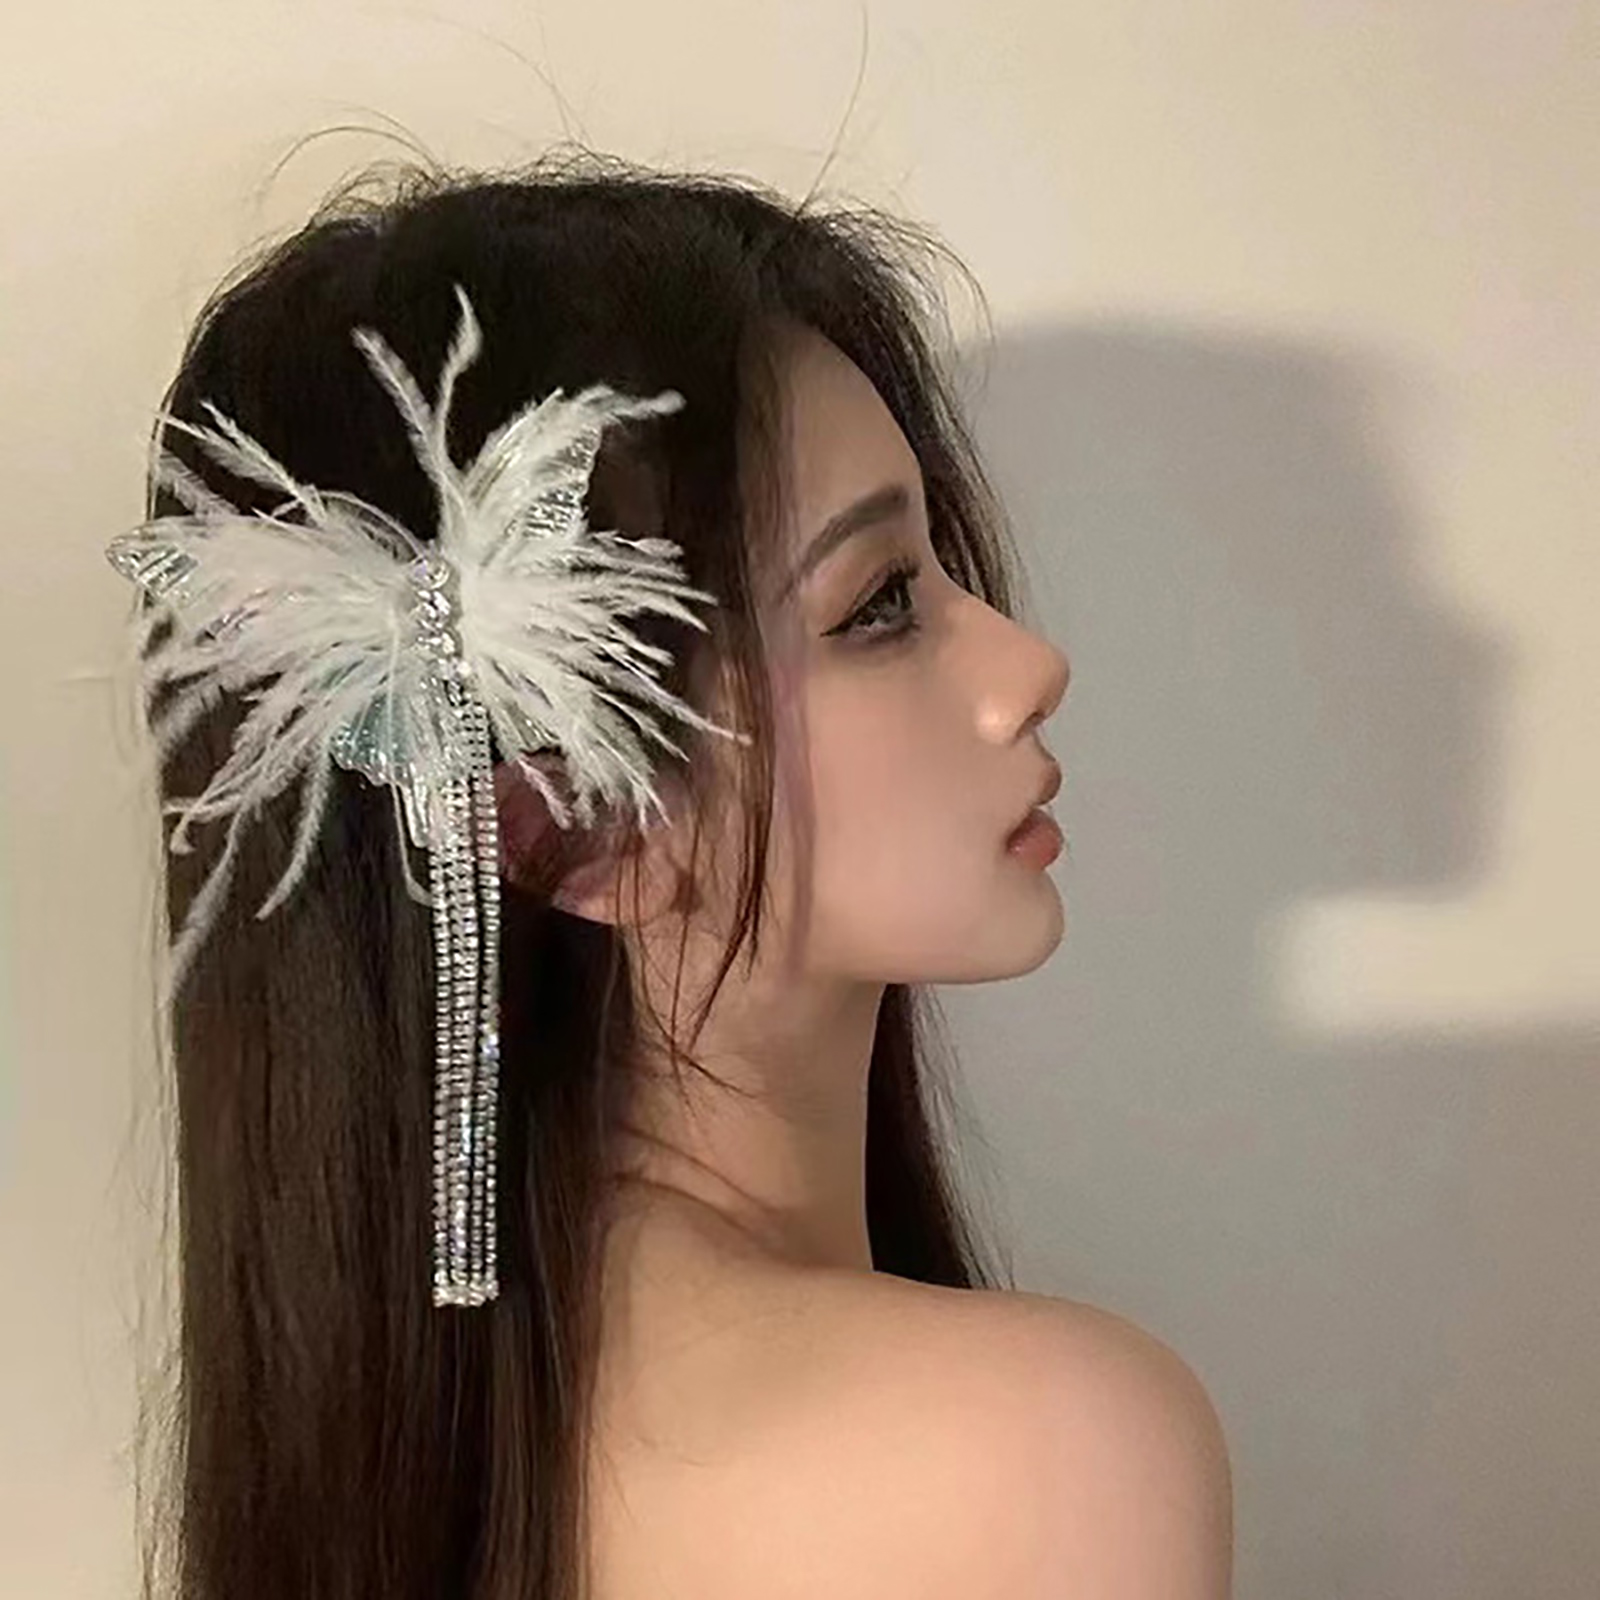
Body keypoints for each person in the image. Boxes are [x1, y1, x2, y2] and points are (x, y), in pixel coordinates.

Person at [120, 150, 1232, 1599]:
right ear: (567, 822)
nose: (1028, 667)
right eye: (880, 603)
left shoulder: (406, 1465)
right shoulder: (1039, 1452)